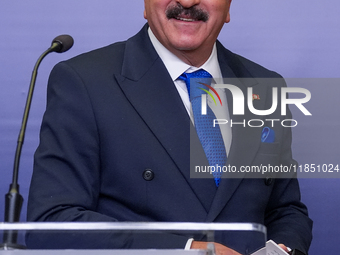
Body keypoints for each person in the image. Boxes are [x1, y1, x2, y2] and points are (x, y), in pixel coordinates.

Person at [27, 0, 313, 254]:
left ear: (228, 8)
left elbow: (285, 209)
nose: (187, 2)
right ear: (144, 4)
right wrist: (188, 251)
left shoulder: (264, 85)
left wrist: (283, 249)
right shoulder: (85, 82)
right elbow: (53, 220)